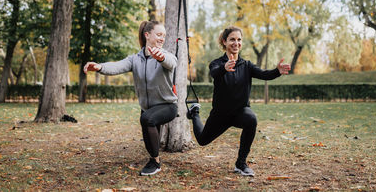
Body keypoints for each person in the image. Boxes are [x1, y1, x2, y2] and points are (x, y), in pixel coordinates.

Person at [187, 26, 291, 176]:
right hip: (220, 114)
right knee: (202, 140)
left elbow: (264, 74)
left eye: (239, 39)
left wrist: (277, 71)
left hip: (239, 112)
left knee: (251, 119)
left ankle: (241, 163)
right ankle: (195, 113)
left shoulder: (247, 65)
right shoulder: (216, 63)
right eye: (232, 39)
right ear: (224, 41)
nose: (236, 43)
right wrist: (225, 67)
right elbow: (214, 73)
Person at [84, 21, 178, 176]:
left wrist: (161, 58)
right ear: (147, 35)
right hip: (148, 108)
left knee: (147, 119)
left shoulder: (166, 55)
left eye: (164, 36)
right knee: (147, 125)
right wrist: (100, 67)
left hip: (167, 106)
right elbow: (117, 66)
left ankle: (155, 162)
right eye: (159, 35)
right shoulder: (135, 59)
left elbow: (171, 63)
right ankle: (153, 158)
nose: (162, 39)